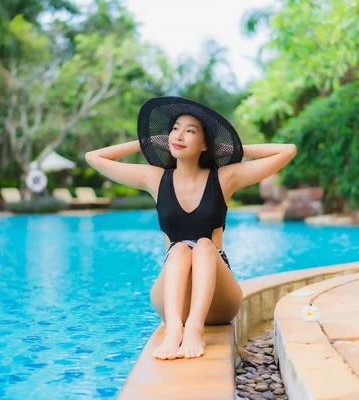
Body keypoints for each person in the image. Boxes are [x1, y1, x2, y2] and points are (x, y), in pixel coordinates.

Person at [85, 96, 296, 360]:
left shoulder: (224, 178)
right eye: (175, 128)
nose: (179, 135)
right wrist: (146, 141)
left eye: (190, 130)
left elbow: (287, 150)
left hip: (218, 299)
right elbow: (93, 157)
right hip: (172, 298)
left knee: (204, 245)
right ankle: (175, 330)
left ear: (205, 143)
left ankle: (194, 329)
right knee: (179, 249)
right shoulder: (155, 178)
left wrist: (228, 147)